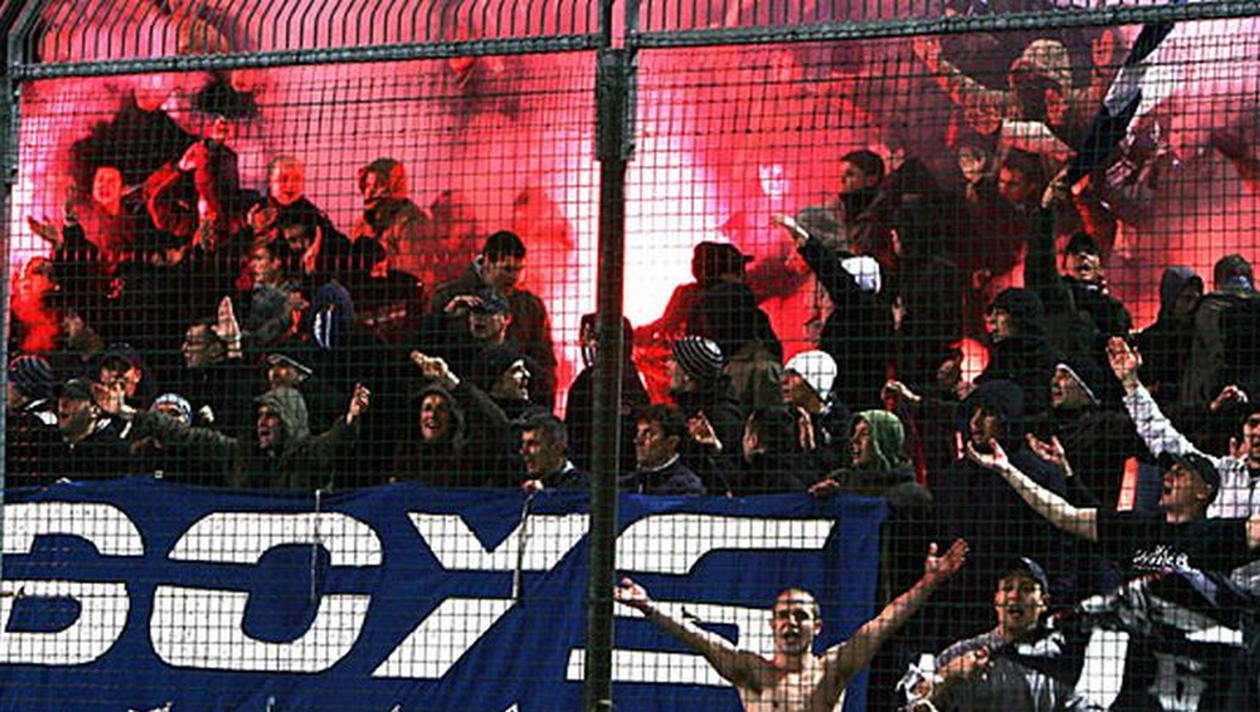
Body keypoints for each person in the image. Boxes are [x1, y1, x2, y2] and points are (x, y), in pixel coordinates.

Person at [613, 539, 968, 712]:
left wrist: (929, 582)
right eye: (783, 616)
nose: (791, 623)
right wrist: (649, 607)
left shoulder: (833, 669)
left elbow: (883, 624)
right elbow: (699, 639)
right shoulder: (750, 671)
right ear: (772, 625)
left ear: (818, 626)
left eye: (800, 616)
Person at [966, 430, 1260, 581]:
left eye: (1180, 472)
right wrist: (1008, 471)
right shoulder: (1135, 527)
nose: (1168, 476)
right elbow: (1063, 515)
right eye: (1168, 471)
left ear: (1204, 491)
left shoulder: (1220, 533)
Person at [903, 558, 1097, 712]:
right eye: (1007, 588)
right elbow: (913, 704)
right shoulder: (961, 653)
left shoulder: (1058, 661)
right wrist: (949, 675)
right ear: (997, 600)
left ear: (1044, 602)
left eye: (1026, 588)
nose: (1014, 595)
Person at [1107, 336, 1260, 519]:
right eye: (1253, 424)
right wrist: (1130, 381)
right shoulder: (1222, 473)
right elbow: (1159, 433)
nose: (1258, 432)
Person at [432, 230, 558, 407]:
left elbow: (545, 362)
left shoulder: (530, 306)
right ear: (487, 262)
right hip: (460, 404)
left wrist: (543, 408)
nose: (514, 277)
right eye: (507, 269)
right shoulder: (448, 297)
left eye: (519, 269)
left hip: (515, 407)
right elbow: (431, 347)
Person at [620, 404, 706, 495]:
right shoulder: (621, 486)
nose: (637, 441)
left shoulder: (687, 489)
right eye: (638, 433)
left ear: (671, 443)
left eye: (649, 434)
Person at [519, 413, 590, 492]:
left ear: (557, 448)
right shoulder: (528, 487)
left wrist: (542, 496)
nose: (523, 451)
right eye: (523, 443)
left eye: (532, 444)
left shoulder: (585, 488)